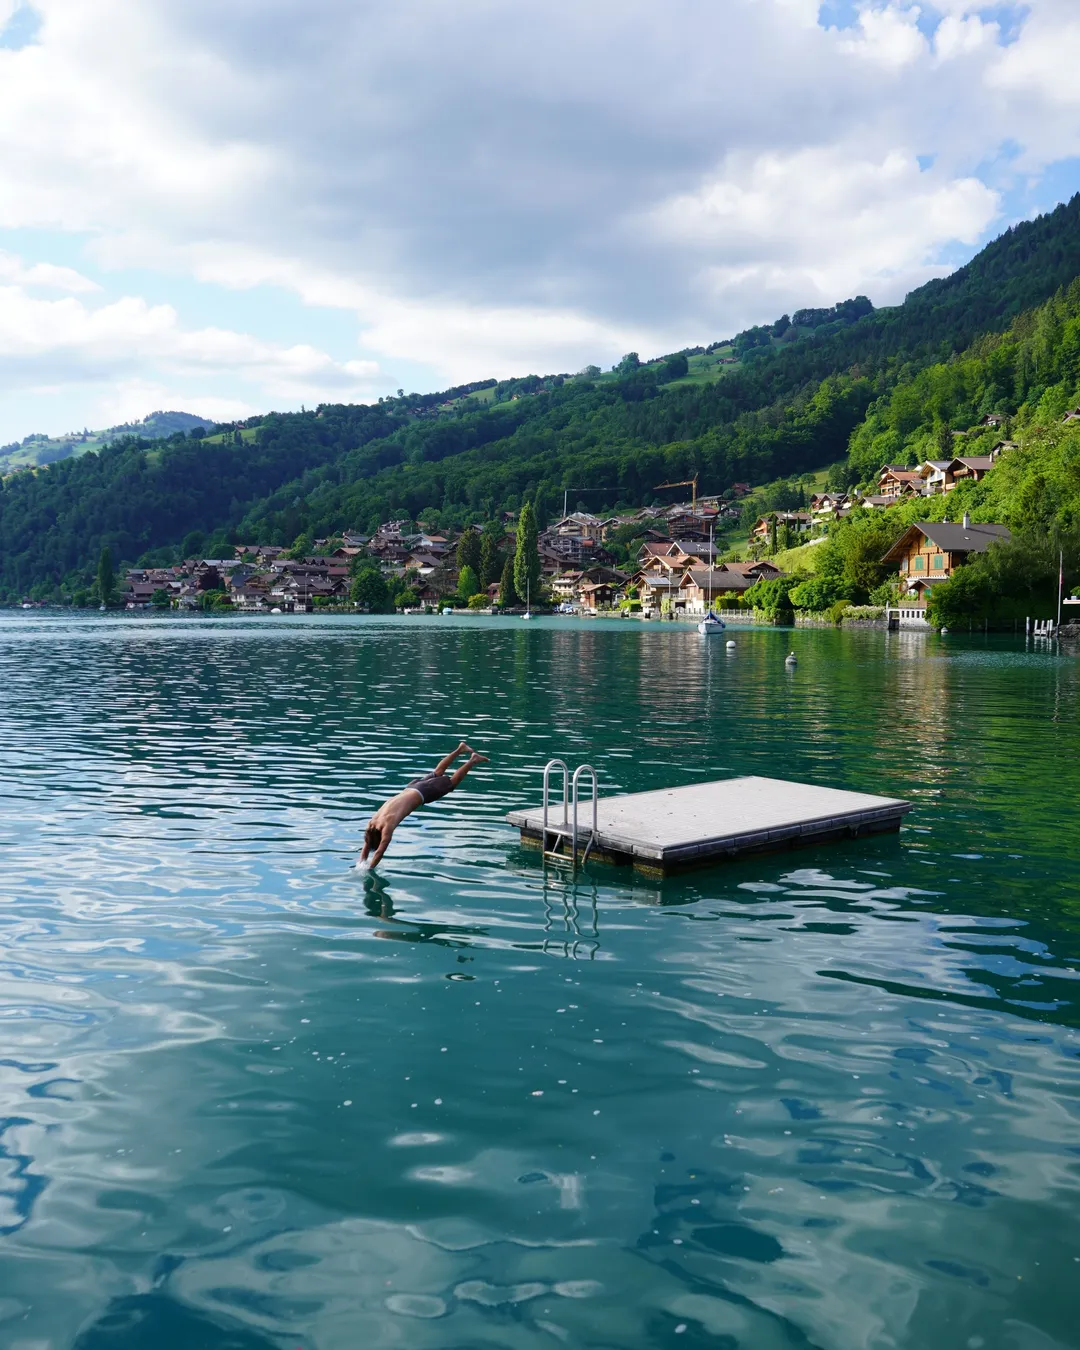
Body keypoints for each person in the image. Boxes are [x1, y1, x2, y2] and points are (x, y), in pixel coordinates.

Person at [359, 741, 488, 869]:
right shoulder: (371, 823)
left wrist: (369, 869)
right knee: (438, 771)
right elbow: (367, 844)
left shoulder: (387, 827)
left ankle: (473, 760)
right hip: (411, 787)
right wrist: (360, 863)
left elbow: (380, 851)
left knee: (452, 783)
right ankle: (460, 749)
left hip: (422, 793)